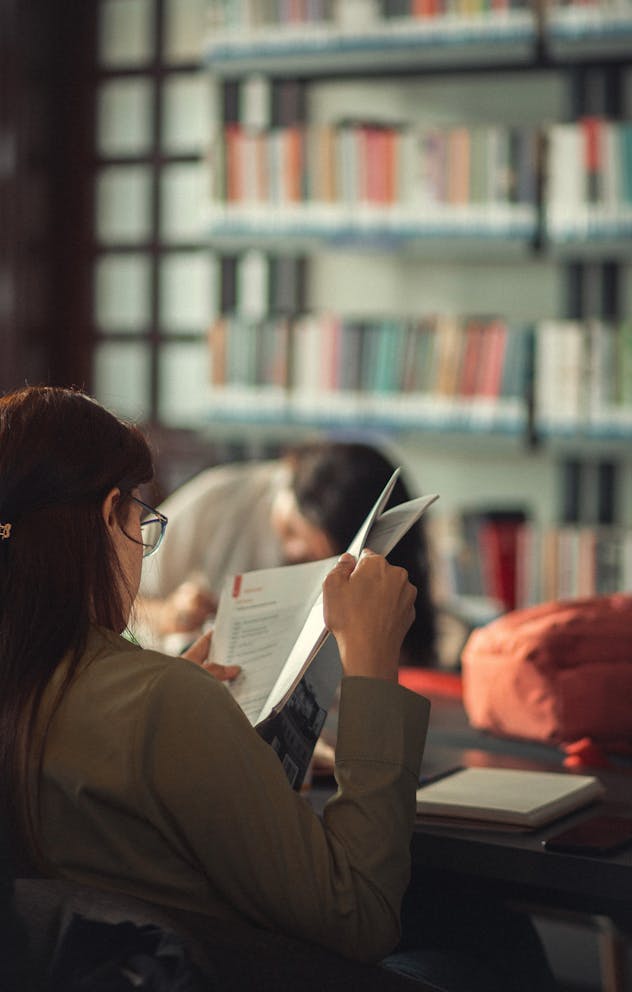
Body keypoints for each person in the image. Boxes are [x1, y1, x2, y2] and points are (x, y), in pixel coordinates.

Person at [0, 386, 556, 991]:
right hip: (245, 967)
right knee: (491, 944)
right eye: (142, 523)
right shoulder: (161, 702)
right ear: (110, 513)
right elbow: (363, 919)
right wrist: (371, 661)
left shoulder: (47, 685)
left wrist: (184, 704)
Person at [137, 441, 437, 667]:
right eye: (291, 530)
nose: (292, 551)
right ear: (288, 478)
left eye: (318, 561)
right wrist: (166, 613)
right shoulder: (219, 500)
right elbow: (108, 594)